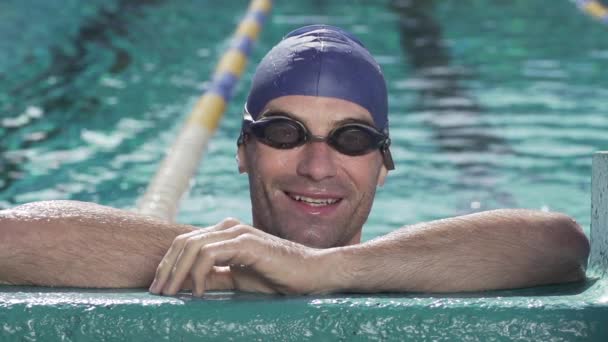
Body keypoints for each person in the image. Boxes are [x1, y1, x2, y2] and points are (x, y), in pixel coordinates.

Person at [0, 25, 589, 297]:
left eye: (352, 139)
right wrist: (229, 261)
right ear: (241, 152)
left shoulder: (420, 266)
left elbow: (561, 245)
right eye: (285, 133)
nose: (316, 164)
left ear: (385, 162)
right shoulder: (217, 263)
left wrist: (322, 269)